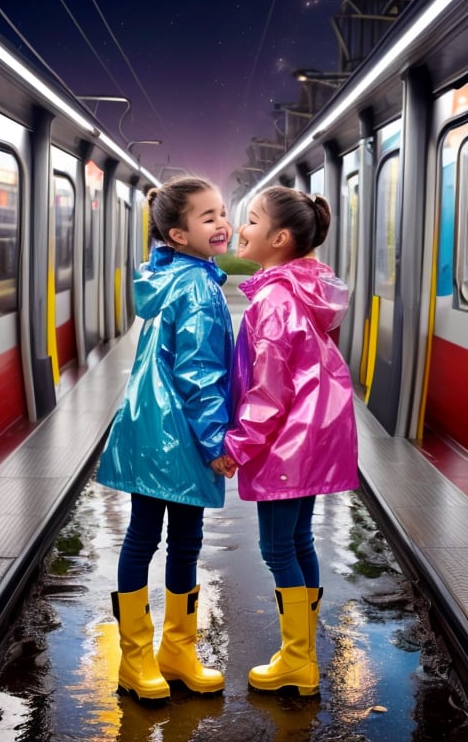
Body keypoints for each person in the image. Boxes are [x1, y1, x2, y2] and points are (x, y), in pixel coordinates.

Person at [96, 175, 235, 702]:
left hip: (148, 427)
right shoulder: (198, 288)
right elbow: (199, 373)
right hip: (178, 435)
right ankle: (153, 655)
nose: (222, 224)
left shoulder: (170, 274)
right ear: (178, 235)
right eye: (208, 217)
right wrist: (217, 442)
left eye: (223, 213)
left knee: (149, 537)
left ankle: (160, 654)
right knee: (174, 540)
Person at [221, 185, 359, 696]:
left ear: (279, 238)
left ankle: (298, 661)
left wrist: (236, 446)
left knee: (278, 547)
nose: (241, 228)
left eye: (251, 220)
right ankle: (302, 652)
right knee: (299, 540)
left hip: (288, 441)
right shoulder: (304, 288)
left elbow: (269, 390)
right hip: (315, 434)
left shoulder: (276, 300)